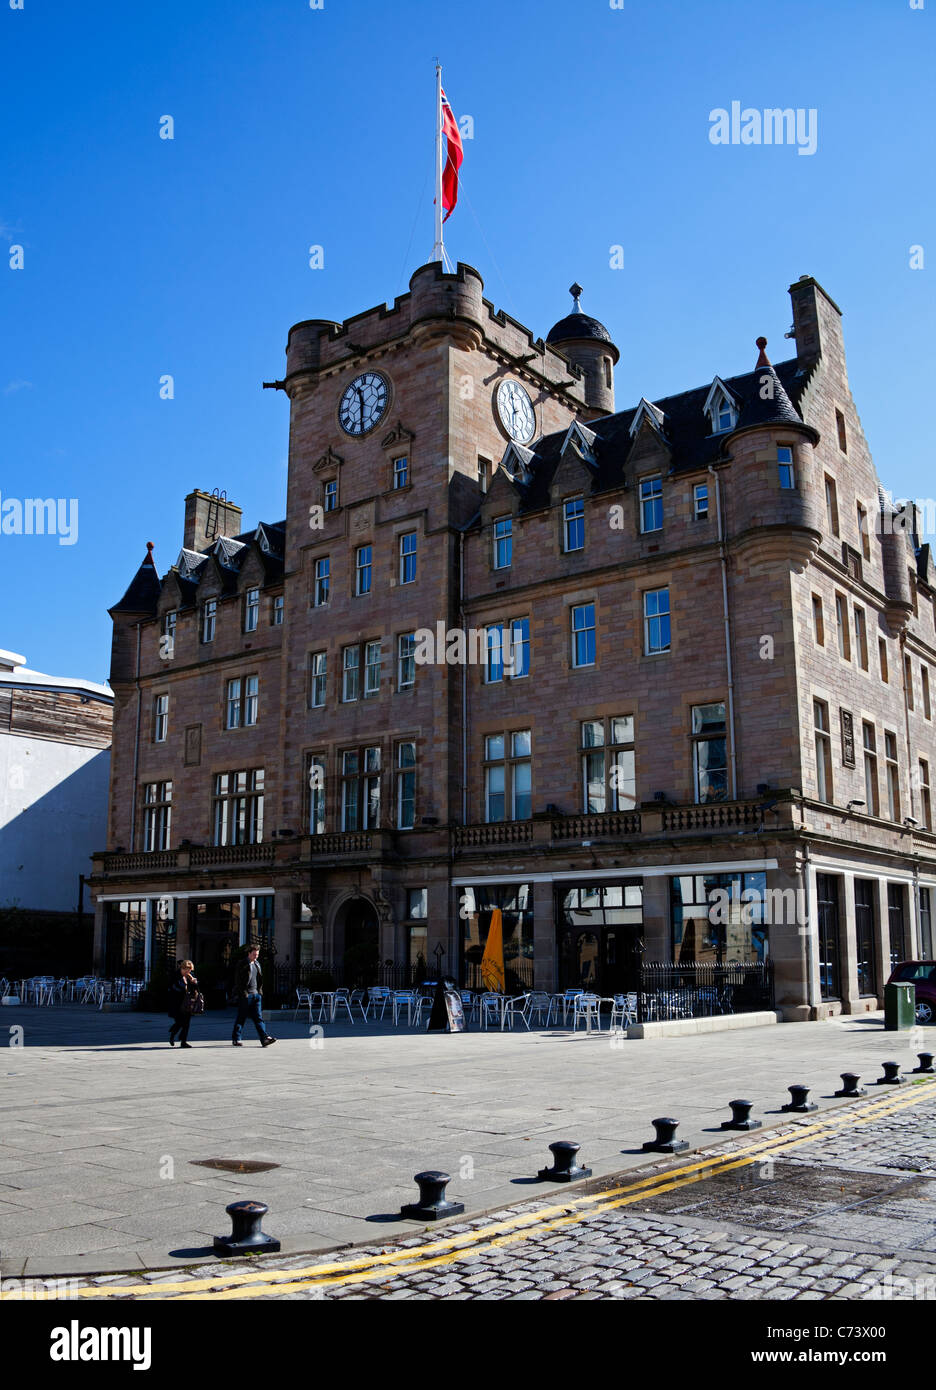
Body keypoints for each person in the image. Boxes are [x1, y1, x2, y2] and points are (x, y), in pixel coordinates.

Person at [231, 945, 277, 1048]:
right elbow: (238, 980)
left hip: (256, 995)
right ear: (249, 953)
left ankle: (264, 1039)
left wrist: (259, 992)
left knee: (258, 1018)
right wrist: (244, 994)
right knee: (241, 1017)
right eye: (254, 954)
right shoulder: (242, 964)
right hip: (246, 995)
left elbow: (259, 979)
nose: (256, 956)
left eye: (257, 954)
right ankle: (236, 1038)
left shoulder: (257, 964)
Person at [168, 960, 199, 1048]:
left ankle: (183, 1041)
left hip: (188, 1003)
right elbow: (172, 987)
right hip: (176, 1002)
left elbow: (196, 989)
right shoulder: (175, 975)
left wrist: (194, 983)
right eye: (186, 969)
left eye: (189, 970)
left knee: (187, 1023)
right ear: (181, 968)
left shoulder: (190, 976)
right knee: (180, 1022)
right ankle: (173, 1034)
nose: (188, 971)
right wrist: (183, 988)